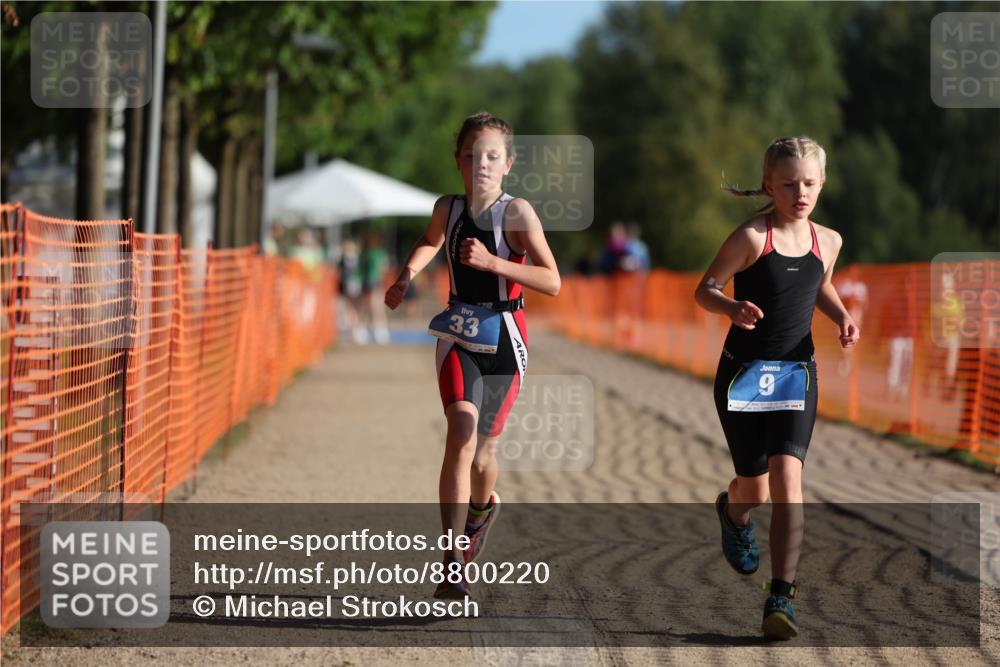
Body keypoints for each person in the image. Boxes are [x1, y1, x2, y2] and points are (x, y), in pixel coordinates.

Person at [384, 112, 560, 599]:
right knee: (460, 434)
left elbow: (552, 280)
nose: (481, 164)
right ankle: (451, 561)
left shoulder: (517, 213)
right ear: (458, 162)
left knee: (484, 452)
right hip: (458, 331)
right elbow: (430, 240)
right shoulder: (448, 208)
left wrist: (494, 262)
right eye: (470, 155)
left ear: (508, 163)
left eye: (491, 156)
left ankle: (481, 511)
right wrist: (406, 275)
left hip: (505, 338)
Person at [694, 136, 859, 640]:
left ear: (822, 184)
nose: (799, 193)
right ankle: (733, 513)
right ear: (768, 185)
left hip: (795, 374)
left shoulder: (828, 241)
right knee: (755, 490)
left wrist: (841, 315)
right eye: (788, 184)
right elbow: (705, 290)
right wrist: (731, 307)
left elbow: (819, 284)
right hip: (742, 375)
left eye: (808, 183)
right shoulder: (750, 237)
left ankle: (781, 596)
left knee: (789, 479)